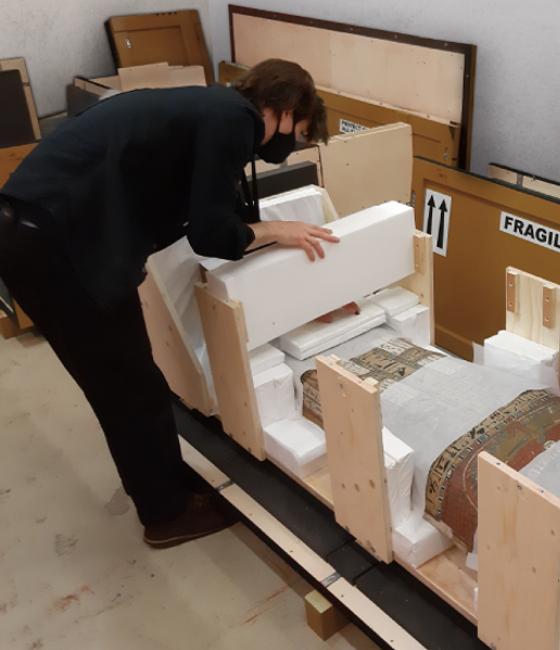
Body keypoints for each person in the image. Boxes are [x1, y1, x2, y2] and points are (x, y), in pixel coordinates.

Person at [0, 59, 338, 547]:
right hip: (56, 244)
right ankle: (166, 514)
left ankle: (164, 485)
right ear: (284, 110)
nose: (289, 147)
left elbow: (221, 208)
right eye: (299, 132)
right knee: (129, 387)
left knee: (126, 381)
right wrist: (275, 231)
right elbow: (210, 231)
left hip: (42, 232)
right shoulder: (235, 120)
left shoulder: (213, 107)